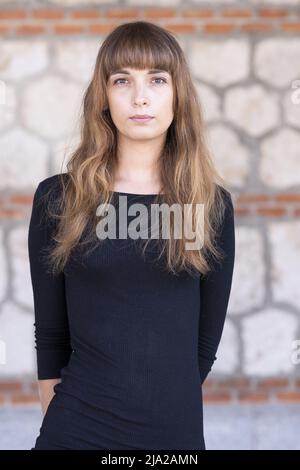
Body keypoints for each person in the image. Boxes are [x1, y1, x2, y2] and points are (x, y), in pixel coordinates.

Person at [28, 20, 235, 450]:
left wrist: (159, 406)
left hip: (172, 435)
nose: (140, 96)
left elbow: (203, 343)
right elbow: (51, 336)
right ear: (104, 96)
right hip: (77, 429)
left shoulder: (211, 206)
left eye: (157, 80)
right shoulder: (58, 198)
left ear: (178, 94)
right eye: (122, 80)